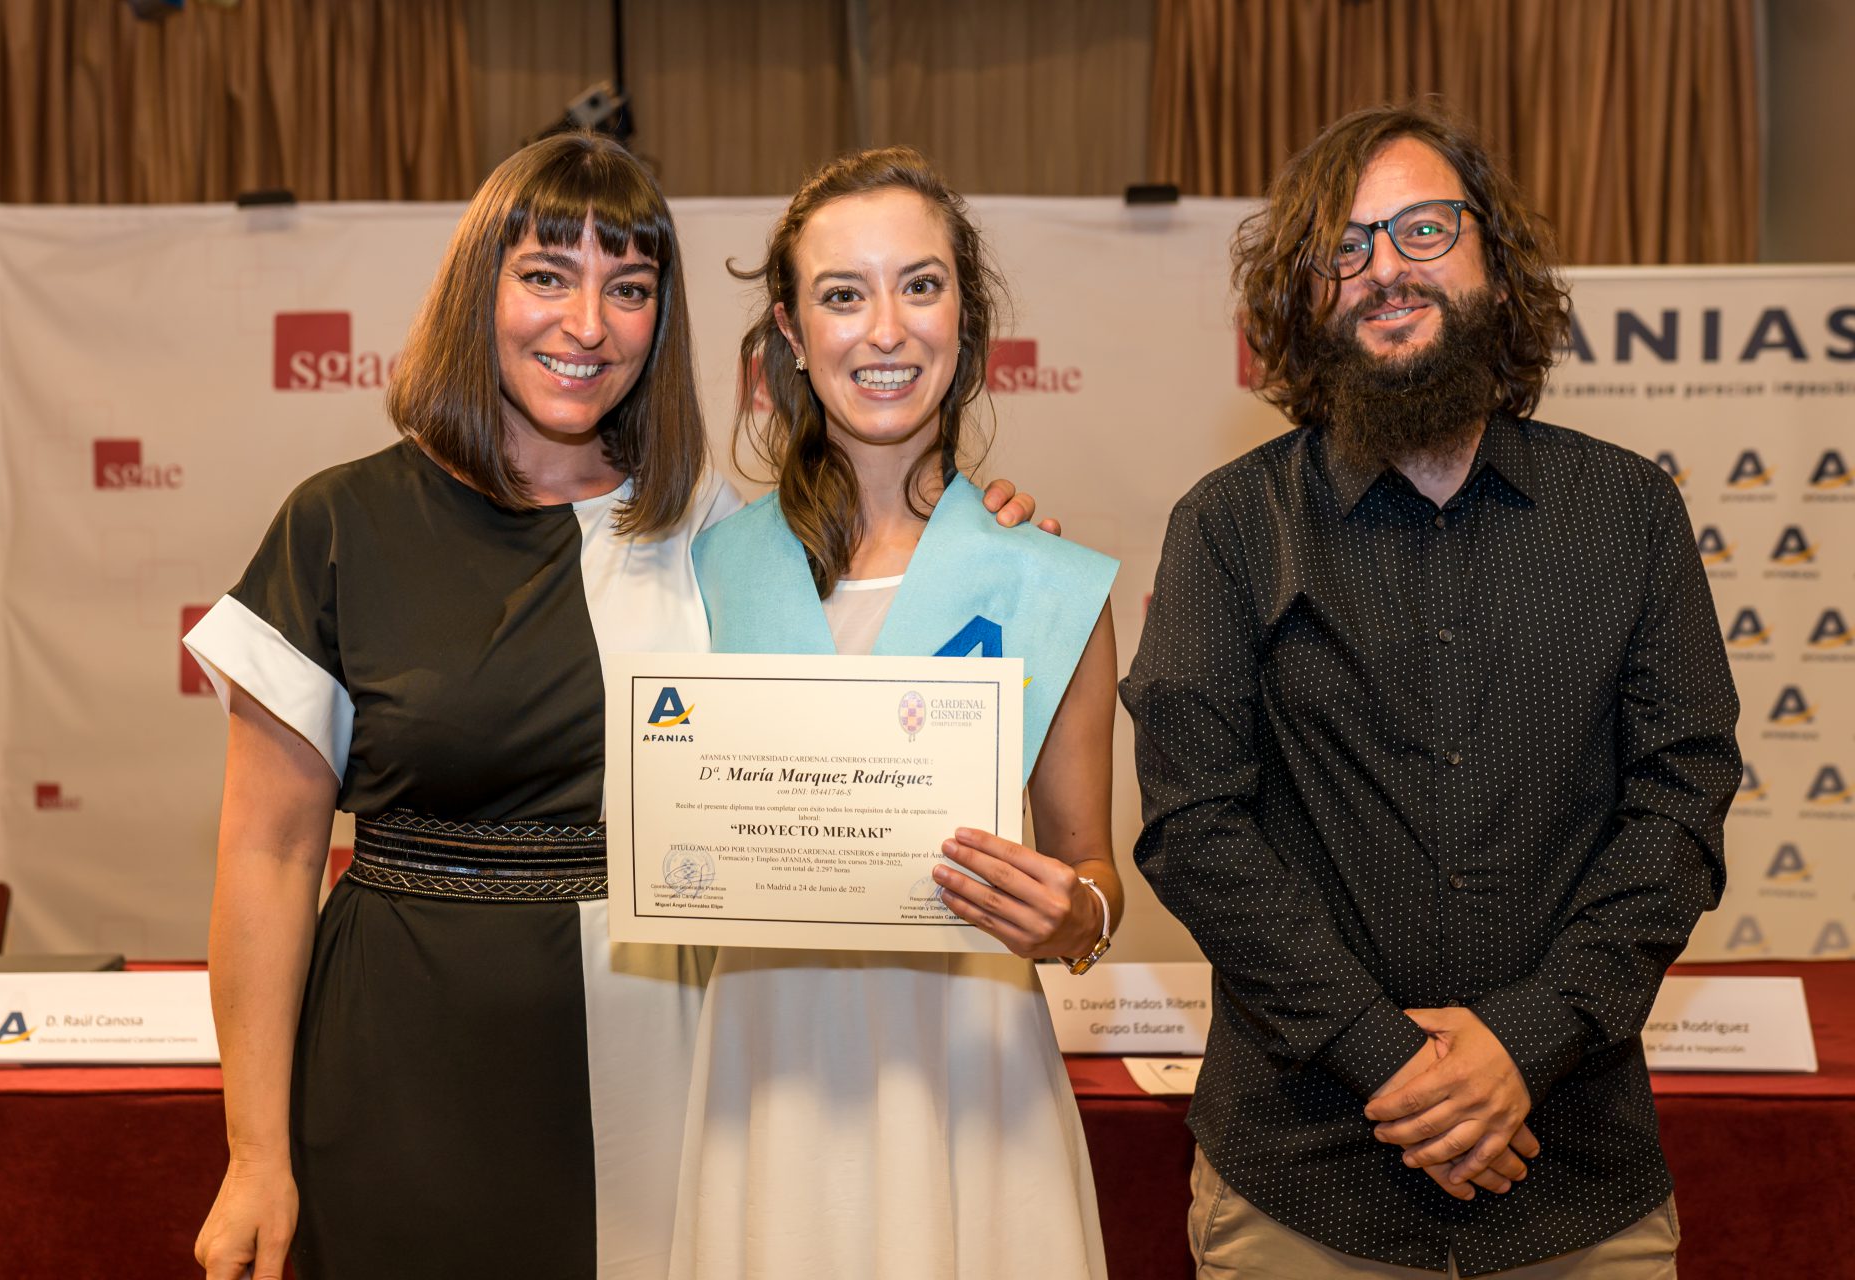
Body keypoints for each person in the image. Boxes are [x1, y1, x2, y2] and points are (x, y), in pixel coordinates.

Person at [181, 131, 1045, 1280]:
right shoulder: (337, 525)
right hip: (402, 1063)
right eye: (547, 274)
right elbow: (267, 857)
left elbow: (867, 660)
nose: (587, 324)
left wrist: (976, 542)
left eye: (629, 288)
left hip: (670, 1061)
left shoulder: (719, 538)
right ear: (476, 288)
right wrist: (254, 1153)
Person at [1120, 102, 1741, 1278]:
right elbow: (1197, 828)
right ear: (1303, 300)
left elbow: (1681, 800)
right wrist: (1390, 1057)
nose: (1383, 270)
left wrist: (1526, 1038)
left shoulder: (1631, 514)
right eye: (1342, 248)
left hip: (1576, 1176)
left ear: (1495, 267)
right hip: (1303, 1184)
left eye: (1421, 229)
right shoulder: (1227, 526)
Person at [667, 147, 1120, 1280]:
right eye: (841, 293)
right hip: (759, 1077)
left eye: (920, 285)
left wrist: (1071, 919)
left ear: (965, 317)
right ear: (790, 327)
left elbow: (1094, 877)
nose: (885, 329)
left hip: (968, 1081)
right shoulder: (707, 573)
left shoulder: (1046, 578)